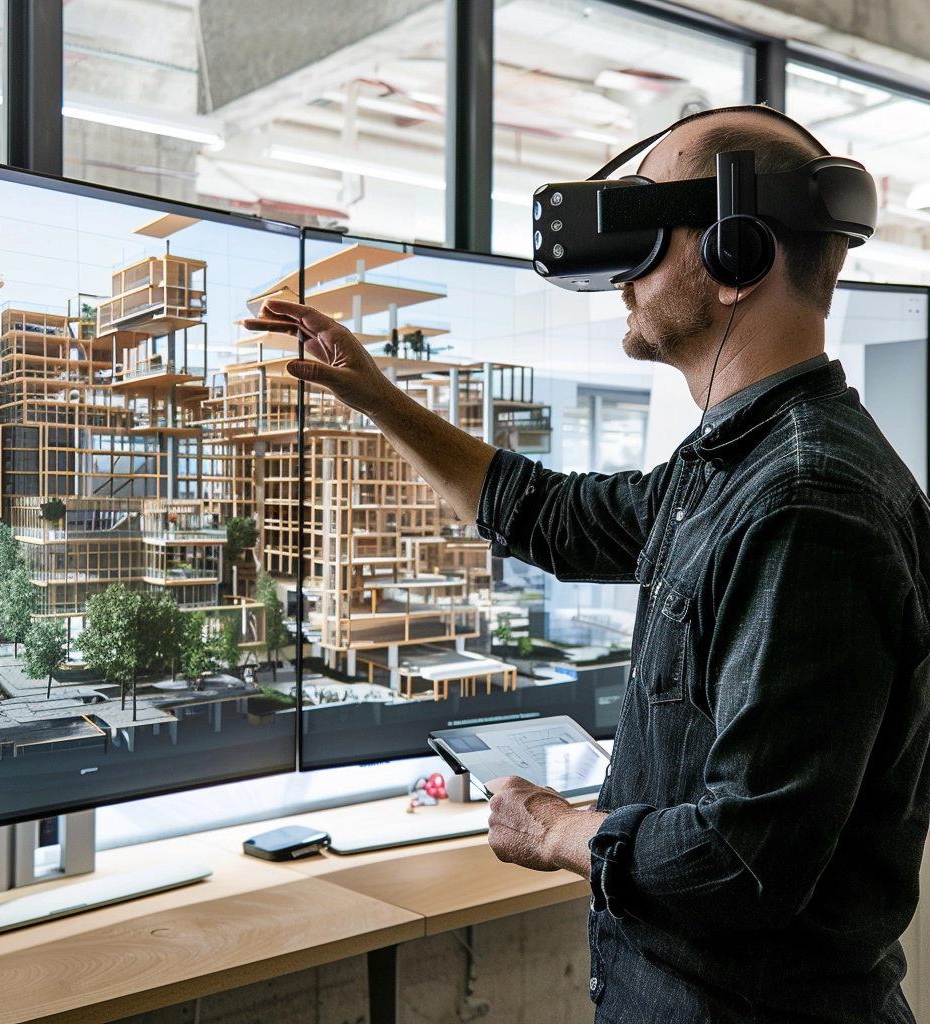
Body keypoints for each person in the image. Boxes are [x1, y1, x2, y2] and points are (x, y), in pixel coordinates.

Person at [244, 106, 930, 1023]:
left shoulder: (807, 503)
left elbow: (742, 859)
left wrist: (558, 832)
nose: (622, 279)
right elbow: (554, 518)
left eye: (648, 237)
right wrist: (377, 398)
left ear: (735, 257)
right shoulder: (729, 467)